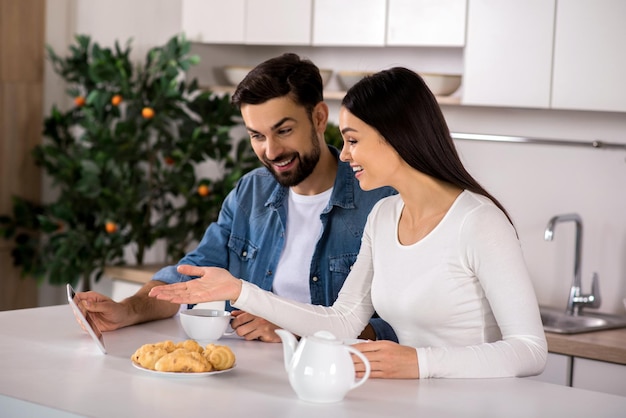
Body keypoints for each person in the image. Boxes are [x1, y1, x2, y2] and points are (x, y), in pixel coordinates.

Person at [149, 67, 548, 379]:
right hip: (409, 399)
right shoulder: (385, 216)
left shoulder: (478, 222)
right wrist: (240, 290)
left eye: (354, 140)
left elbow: (530, 350)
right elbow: (341, 322)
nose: (344, 155)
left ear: (395, 137)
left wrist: (420, 364)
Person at [73, 53, 397, 343]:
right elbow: (191, 277)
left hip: (334, 382)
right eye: (257, 135)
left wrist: (293, 329)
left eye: (283, 131)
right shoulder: (251, 193)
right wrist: (126, 310)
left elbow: (399, 327)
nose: (271, 151)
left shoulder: (379, 202)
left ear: (319, 118)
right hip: (248, 375)